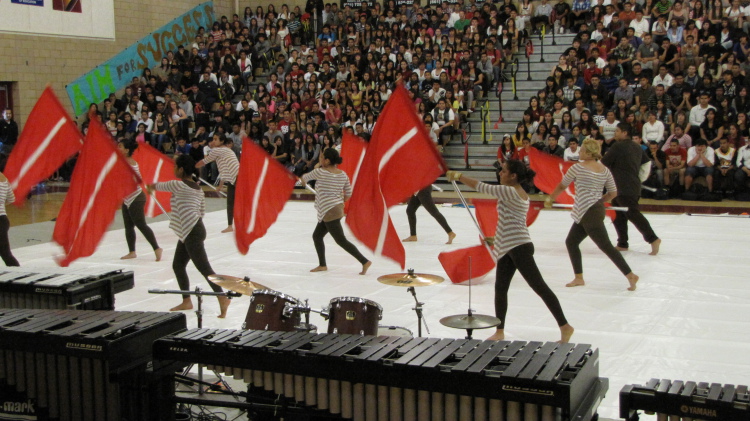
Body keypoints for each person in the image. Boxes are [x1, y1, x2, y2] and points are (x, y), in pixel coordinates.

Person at [446, 162, 574, 343]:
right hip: (508, 246)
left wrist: (459, 176)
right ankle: (500, 331)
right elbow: (510, 221)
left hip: (519, 246)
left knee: (539, 286)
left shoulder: (510, 191)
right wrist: (496, 239)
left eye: (504, 171)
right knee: (500, 288)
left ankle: (565, 326)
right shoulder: (516, 192)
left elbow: (481, 187)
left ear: (513, 176)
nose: (500, 173)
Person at [547, 139, 639, 291]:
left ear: (589, 153)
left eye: (582, 150)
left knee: (606, 246)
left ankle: (630, 274)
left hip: (588, 212)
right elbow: (613, 193)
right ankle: (579, 277)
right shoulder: (604, 170)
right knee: (571, 242)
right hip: (593, 210)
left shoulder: (577, 168)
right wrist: (599, 201)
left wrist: (550, 198)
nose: (580, 152)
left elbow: (563, 185)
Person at [147, 155, 230, 317]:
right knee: (178, 265)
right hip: (193, 229)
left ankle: (222, 297)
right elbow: (201, 211)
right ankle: (186, 300)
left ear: (181, 169)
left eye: (175, 166)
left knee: (205, 268)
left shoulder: (178, 185)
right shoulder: (198, 189)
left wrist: (150, 187)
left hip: (192, 231)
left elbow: (159, 185)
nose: (173, 169)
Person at [300, 148, 371, 275]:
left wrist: (303, 181)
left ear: (327, 160)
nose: (320, 159)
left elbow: (305, 177)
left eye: (322, 158)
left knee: (341, 240)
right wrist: (338, 201)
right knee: (317, 236)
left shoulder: (320, 172)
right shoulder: (343, 174)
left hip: (329, 211)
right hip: (336, 209)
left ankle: (364, 261)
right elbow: (348, 193)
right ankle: (322, 265)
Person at [601, 122, 662, 255]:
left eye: (617, 131)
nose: (615, 133)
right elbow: (647, 163)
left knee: (632, 213)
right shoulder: (637, 146)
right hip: (627, 186)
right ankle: (622, 243)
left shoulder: (617, 146)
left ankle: (653, 239)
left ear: (624, 133)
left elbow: (603, 163)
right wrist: (639, 179)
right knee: (618, 214)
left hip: (624, 187)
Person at [117, 140, 163, 261]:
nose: (118, 148)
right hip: (127, 198)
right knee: (128, 226)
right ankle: (132, 252)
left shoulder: (127, 163)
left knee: (141, 224)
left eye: (120, 146)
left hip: (136, 198)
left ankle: (157, 248)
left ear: (127, 150)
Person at [196, 133, 239, 233]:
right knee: (230, 202)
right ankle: (230, 226)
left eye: (215, 139)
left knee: (235, 203)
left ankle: (239, 224)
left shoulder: (218, 150)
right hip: (234, 178)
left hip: (238, 178)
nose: (213, 141)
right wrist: (220, 186)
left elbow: (205, 161)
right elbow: (224, 170)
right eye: (213, 139)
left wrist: (190, 167)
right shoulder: (225, 150)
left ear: (222, 141)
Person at [0, 170, 18, 266]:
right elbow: (11, 199)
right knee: (6, 254)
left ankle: (19, 273)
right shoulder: (4, 179)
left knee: (6, 254)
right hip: (3, 220)